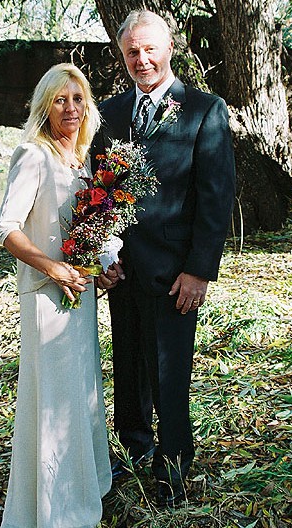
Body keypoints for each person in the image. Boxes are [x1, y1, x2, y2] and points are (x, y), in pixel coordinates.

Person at [93, 10, 236, 507]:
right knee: (128, 367)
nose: (142, 58)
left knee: (169, 374)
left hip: (177, 274)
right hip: (122, 270)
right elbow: (97, 192)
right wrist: (98, 257)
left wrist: (199, 270)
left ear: (169, 47)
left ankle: (172, 467)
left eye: (149, 48)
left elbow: (216, 198)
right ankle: (133, 453)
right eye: (132, 51)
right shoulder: (107, 115)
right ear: (123, 55)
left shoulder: (203, 109)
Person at [0, 63, 112, 528]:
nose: (70, 108)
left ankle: (84, 487)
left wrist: (101, 265)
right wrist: (52, 267)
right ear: (45, 106)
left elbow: (81, 230)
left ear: (88, 106)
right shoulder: (34, 154)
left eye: (78, 99)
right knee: (53, 399)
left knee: (80, 393)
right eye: (60, 100)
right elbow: (6, 228)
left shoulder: (81, 159)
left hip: (80, 296)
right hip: (47, 297)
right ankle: (53, 510)